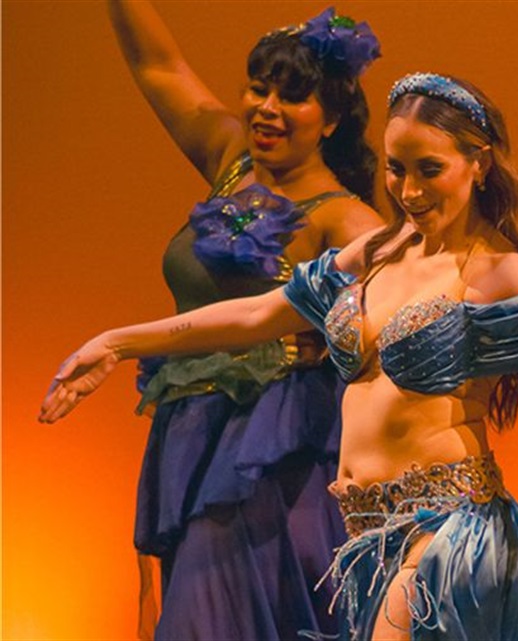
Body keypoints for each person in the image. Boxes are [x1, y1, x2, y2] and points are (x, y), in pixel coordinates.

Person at [43, 71, 518, 641]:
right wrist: (117, 342)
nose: (410, 191)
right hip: (364, 540)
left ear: (481, 164)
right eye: (396, 169)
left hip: (445, 533)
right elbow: (256, 315)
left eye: (430, 171)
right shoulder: (373, 253)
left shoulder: (504, 273)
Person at [96, 3, 383, 638]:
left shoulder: (348, 224)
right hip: (188, 436)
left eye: (294, 97)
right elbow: (157, 64)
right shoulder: (230, 160)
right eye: (260, 87)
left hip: (267, 455)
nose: (267, 108)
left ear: (332, 119)